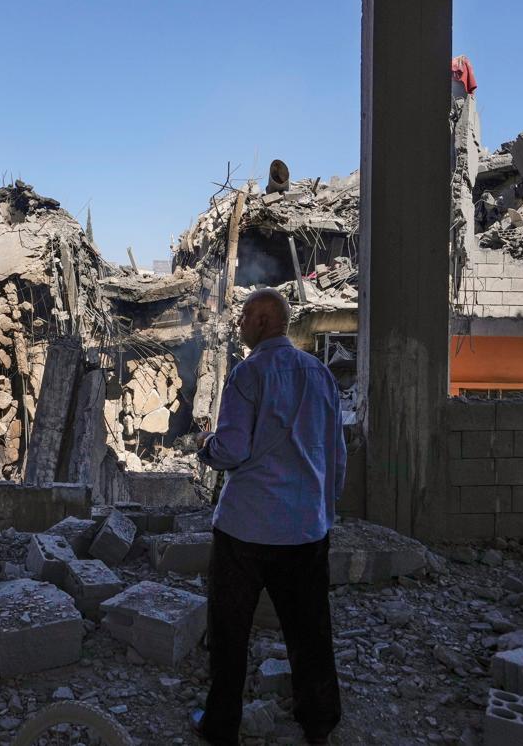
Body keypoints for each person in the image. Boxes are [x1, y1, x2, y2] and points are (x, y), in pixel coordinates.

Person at [190, 288, 346, 746]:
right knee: (310, 631)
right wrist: (323, 511)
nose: (238, 325)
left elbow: (233, 449)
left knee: (230, 633)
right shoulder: (320, 375)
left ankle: (221, 727)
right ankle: (318, 722)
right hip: (305, 531)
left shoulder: (248, 373)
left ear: (261, 322)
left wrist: (206, 449)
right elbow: (336, 457)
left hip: (246, 530)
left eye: (243, 317)